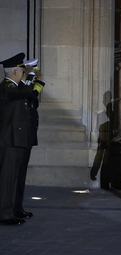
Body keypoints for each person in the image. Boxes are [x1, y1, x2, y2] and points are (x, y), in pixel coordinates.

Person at [0, 53, 44, 225]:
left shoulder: (15, 88)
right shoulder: (7, 88)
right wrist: (32, 75)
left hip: (16, 140)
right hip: (9, 140)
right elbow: (25, 91)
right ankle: (4, 214)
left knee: (14, 179)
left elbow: (29, 95)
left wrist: (31, 77)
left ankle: (11, 210)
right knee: (7, 180)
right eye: (22, 72)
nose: (24, 74)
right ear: (16, 72)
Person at [14, 58, 44, 220]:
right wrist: (33, 79)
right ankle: (12, 207)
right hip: (18, 138)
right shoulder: (18, 90)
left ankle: (17, 206)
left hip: (26, 137)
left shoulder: (27, 90)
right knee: (14, 175)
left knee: (20, 174)